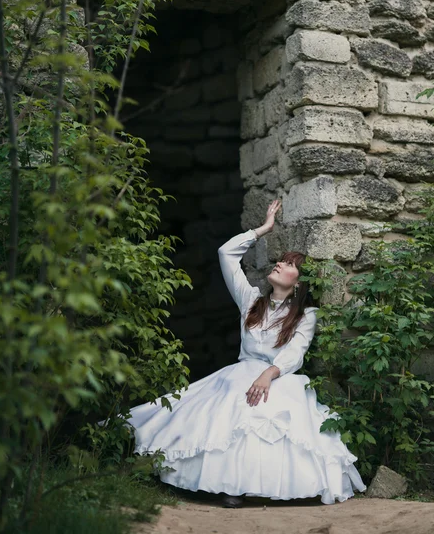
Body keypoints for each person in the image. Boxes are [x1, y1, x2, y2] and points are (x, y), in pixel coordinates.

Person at [124, 199, 367, 507]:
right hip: (242, 371)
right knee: (234, 401)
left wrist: (269, 374)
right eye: (281, 260)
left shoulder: (306, 314)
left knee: (272, 404)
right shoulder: (250, 300)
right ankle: (230, 486)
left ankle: (265, 486)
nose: (279, 264)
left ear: (299, 282)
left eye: (290, 264)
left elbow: (296, 353)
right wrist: (262, 230)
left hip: (280, 375)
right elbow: (226, 254)